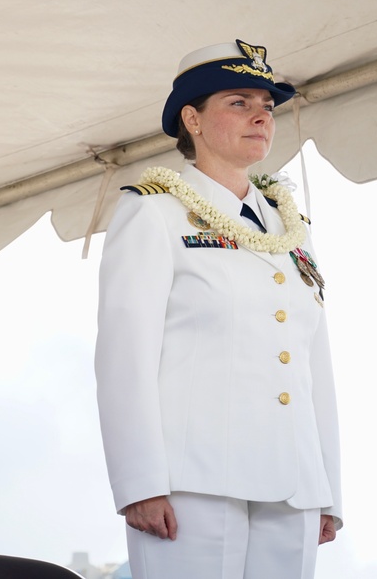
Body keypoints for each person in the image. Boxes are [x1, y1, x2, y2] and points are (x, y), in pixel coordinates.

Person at [94, 40, 342, 579]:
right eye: (239, 102)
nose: (260, 115)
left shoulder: (292, 228)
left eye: (267, 106)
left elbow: (312, 362)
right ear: (193, 118)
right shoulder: (155, 213)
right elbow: (124, 356)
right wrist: (140, 482)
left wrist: (328, 488)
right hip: (194, 483)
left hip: (294, 485)